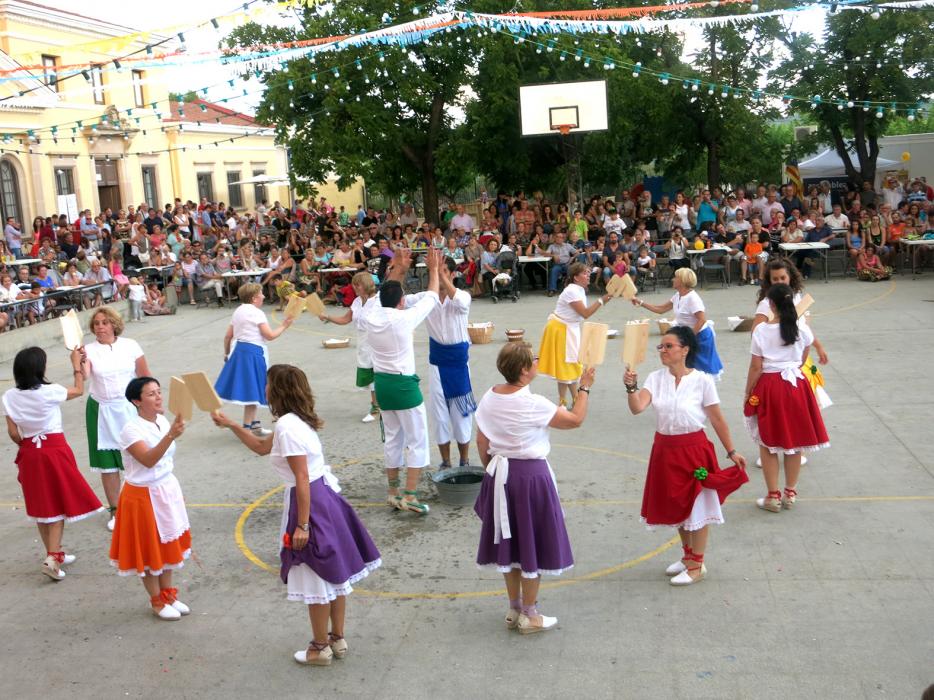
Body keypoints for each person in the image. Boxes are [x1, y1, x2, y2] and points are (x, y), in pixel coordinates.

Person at [212, 365, 381, 664]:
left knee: (314, 573)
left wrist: (302, 525)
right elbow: (262, 448)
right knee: (336, 573)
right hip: (325, 500)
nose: (264, 389)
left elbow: (301, 477)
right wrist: (231, 425)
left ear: (277, 390)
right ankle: (337, 638)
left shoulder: (288, 428)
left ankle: (319, 647)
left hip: (310, 504)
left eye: (267, 384)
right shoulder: (296, 422)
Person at [474, 343, 593, 633]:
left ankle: (514, 607)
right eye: (534, 359)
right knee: (532, 544)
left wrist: (491, 468)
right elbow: (575, 420)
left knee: (510, 544)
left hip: (500, 473)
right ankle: (531, 613)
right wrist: (585, 388)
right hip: (530, 476)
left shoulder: (490, 395)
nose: (538, 361)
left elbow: (482, 439)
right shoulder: (533, 403)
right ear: (525, 370)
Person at [623, 326, 747, 585]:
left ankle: (697, 564)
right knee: (678, 505)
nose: (663, 351)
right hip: (665, 451)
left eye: (669, 346)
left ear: (685, 350)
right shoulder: (655, 379)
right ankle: (688, 556)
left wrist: (731, 451)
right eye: (661, 346)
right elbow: (637, 408)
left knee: (697, 506)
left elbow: (717, 419)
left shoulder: (702, 380)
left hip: (694, 451)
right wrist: (631, 387)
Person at [3, 347, 103, 581]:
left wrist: (26, 446)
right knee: (57, 504)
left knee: (40, 504)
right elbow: (79, 390)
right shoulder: (50, 391)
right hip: (53, 449)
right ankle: (52, 558)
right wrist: (76, 365)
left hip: (29, 451)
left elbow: (13, 433)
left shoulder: (9, 396)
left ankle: (53, 551)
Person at [360, 248, 442, 514]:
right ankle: (410, 494)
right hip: (404, 385)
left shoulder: (371, 314)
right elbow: (431, 296)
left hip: (382, 384)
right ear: (401, 302)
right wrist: (434, 269)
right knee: (417, 440)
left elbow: (385, 290)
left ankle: (393, 492)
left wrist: (397, 268)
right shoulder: (403, 319)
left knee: (393, 439)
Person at [110, 377, 191, 621]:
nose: (158, 397)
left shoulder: (162, 421)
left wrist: (170, 432)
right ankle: (156, 600)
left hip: (166, 489)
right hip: (143, 495)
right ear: (136, 401)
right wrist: (171, 436)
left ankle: (168, 594)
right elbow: (147, 460)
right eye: (151, 394)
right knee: (148, 549)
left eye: (159, 391)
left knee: (168, 543)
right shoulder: (130, 430)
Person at [744, 284, 830, 513]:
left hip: (770, 386)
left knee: (768, 442)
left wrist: (748, 391)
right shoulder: (801, 329)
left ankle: (773, 495)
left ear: (770, 305)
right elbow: (802, 359)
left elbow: (755, 366)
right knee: (795, 442)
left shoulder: (761, 331)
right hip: (796, 386)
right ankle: (790, 492)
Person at [83, 306, 151, 531]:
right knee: (108, 465)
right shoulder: (88, 350)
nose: (100, 327)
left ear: (114, 324)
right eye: (96, 323)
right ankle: (116, 511)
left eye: (104, 322)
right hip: (101, 410)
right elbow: (84, 376)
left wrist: (150, 404)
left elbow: (144, 377)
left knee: (138, 458)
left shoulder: (131, 345)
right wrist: (78, 360)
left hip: (129, 408)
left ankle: (143, 504)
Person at [407, 257, 475, 469]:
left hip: (459, 365)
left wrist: (441, 276)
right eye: (436, 271)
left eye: (445, 271)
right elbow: (396, 300)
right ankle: (446, 462)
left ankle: (464, 460)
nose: (439, 274)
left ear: (453, 274)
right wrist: (398, 269)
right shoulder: (426, 299)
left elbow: (461, 302)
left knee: (461, 415)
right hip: (437, 363)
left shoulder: (462, 296)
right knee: (439, 415)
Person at [214, 283, 293, 437]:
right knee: (254, 391)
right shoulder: (257, 313)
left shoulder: (238, 311)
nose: (263, 296)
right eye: (261, 294)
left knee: (253, 389)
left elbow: (228, 336)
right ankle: (246, 429)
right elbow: (269, 335)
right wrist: (284, 325)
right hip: (253, 353)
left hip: (239, 351)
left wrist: (227, 353)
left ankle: (254, 425)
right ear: (254, 298)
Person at [538, 261, 612, 407]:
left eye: (588, 273)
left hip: (569, 328)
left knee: (572, 365)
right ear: (576, 277)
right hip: (561, 330)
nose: (588, 276)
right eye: (585, 273)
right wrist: (601, 300)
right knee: (566, 366)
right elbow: (585, 313)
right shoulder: (572, 291)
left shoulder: (579, 290)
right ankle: (563, 401)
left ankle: (574, 398)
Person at [633, 268, 723, 378]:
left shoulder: (692, 298)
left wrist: (689, 337)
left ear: (682, 281)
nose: (672, 279)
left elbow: (701, 319)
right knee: (687, 368)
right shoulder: (677, 295)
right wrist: (640, 302)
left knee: (701, 371)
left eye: (675, 277)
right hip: (688, 336)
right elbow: (660, 309)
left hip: (700, 337)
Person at [318, 271, 381, 424]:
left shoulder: (379, 301)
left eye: (357, 284)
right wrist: (328, 317)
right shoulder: (357, 301)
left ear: (365, 285)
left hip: (378, 342)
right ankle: (377, 407)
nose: (354, 287)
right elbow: (345, 319)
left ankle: (377, 408)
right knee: (371, 375)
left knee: (379, 374)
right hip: (363, 343)